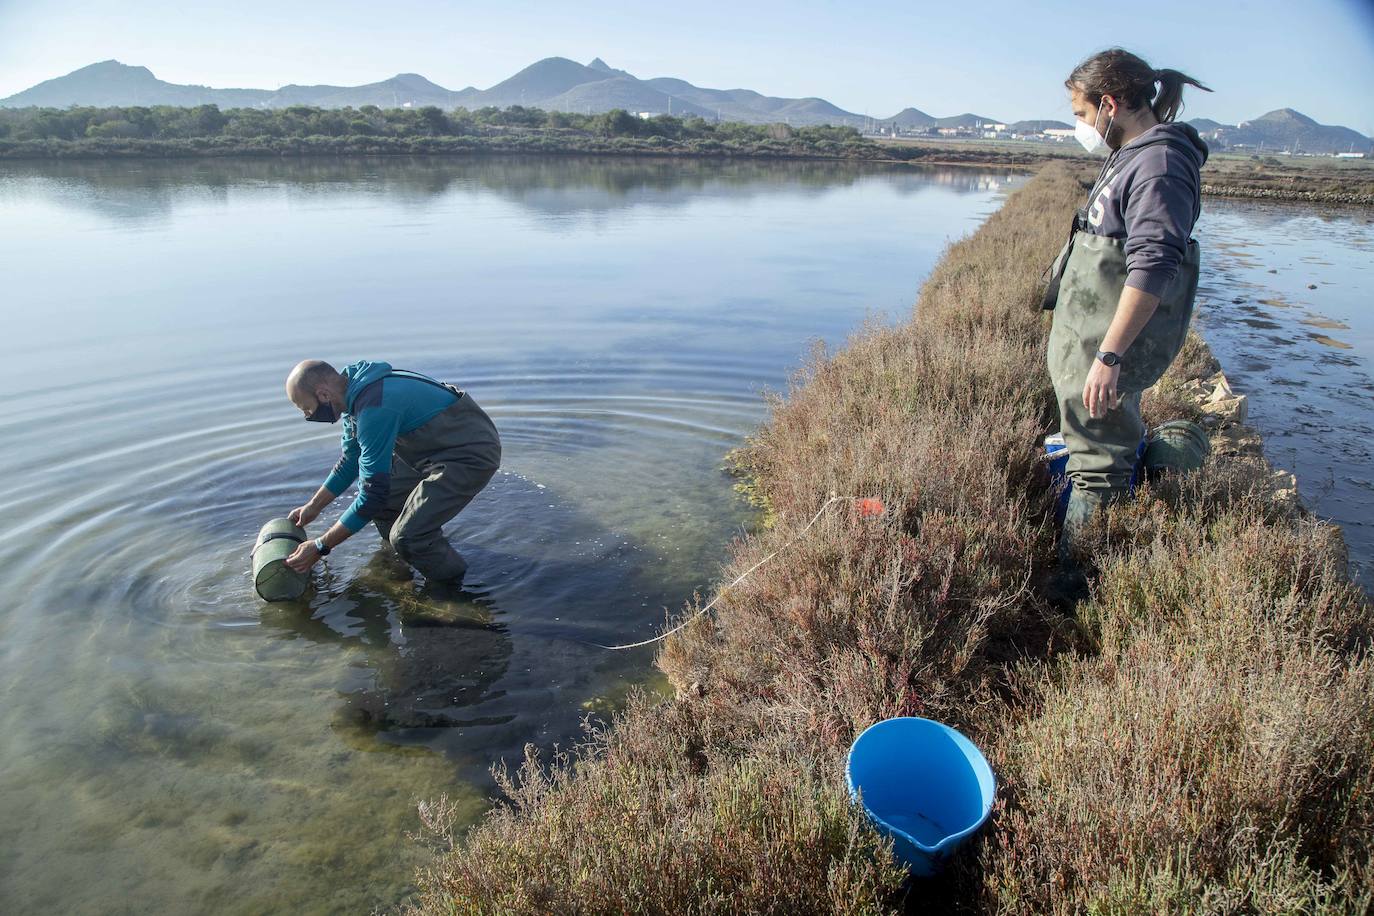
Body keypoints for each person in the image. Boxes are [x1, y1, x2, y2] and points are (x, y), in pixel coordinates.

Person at [1043, 48, 1211, 579]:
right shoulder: (1133, 154)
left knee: (1098, 467)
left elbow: (1153, 265)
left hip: (1105, 346)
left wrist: (1109, 355)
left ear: (1110, 104)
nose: (1080, 125)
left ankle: (1078, 588)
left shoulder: (1160, 163)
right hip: (1090, 340)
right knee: (1094, 450)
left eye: (1081, 113)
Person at [282, 359, 501, 584]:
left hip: (469, 454)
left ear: (323, 395)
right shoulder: (352, 395)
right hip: (429, 448)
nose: (308, 416)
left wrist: (321, 546)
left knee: (408, 536)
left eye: (307, 409)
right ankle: (406, 554)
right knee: (388, 504)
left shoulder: (375, 407)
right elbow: (350, 460)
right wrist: (313, 507)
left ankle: (451, 587)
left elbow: (370, 496)